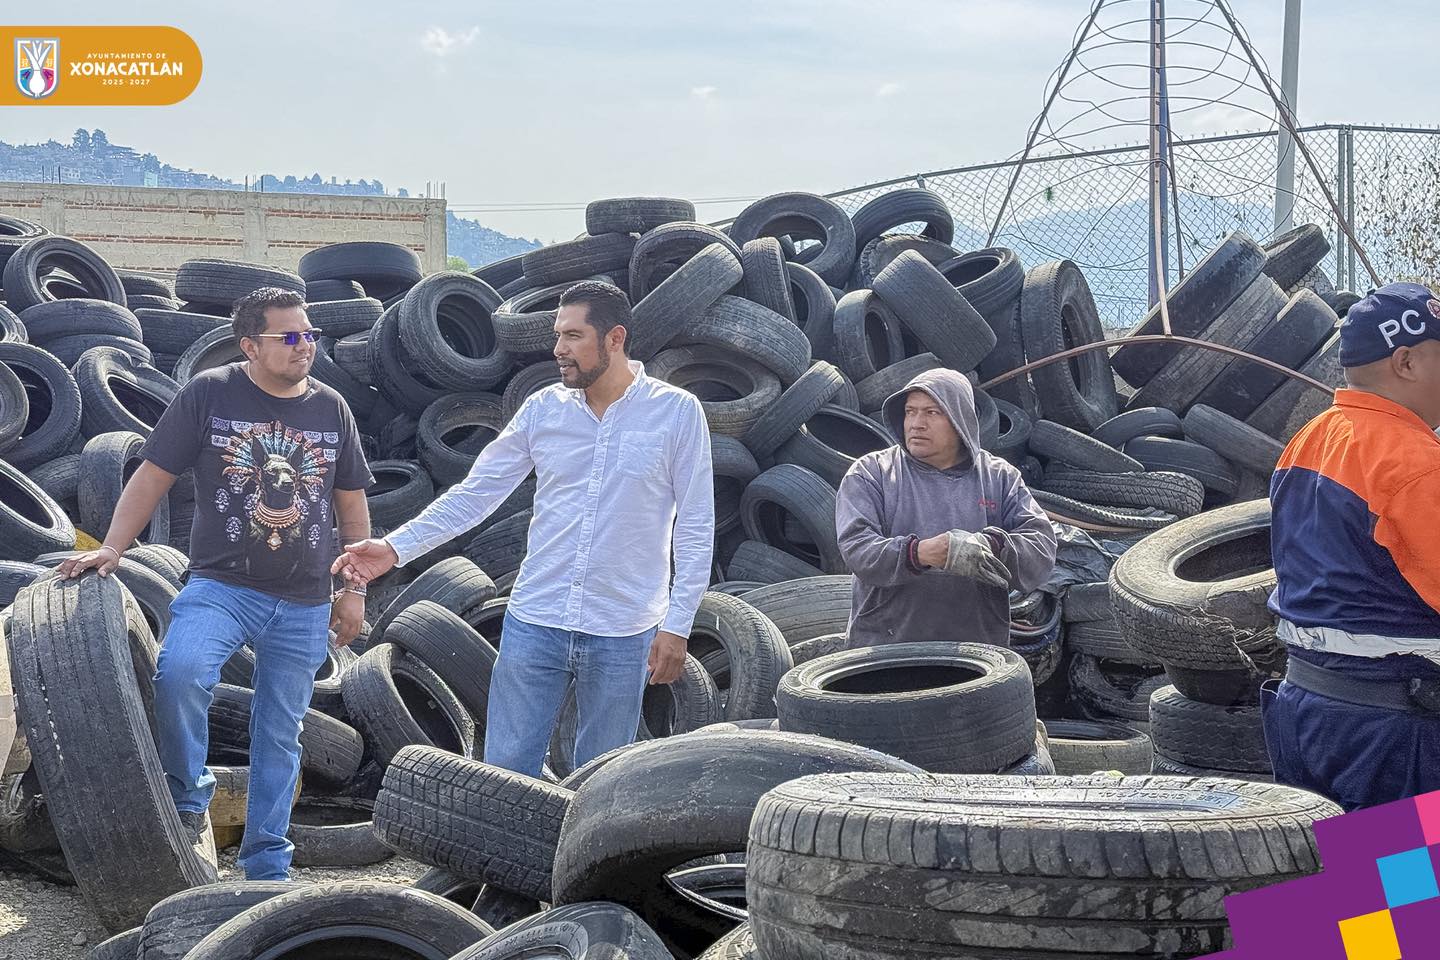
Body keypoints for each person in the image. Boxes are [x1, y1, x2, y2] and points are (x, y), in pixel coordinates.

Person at [333, 279, 714, 779]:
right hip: (537, 619)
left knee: (599, 779)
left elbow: (696, 525)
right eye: (558, 335)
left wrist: (678, 624)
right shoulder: (542, 410)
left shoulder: (676, 412)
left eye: (574, 336)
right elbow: (476, 494)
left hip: (624, 627)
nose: (559, 349)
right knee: (506, 772)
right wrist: (393, 548)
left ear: (615, 338)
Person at [58, 287, 373, 880]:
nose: (305, 346)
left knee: (281, 734)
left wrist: (353, 589)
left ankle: (266, 863)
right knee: (180, 674)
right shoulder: (210, 393)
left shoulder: (332, 407)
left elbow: (351, 505)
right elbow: (153, 475)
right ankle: (187, 799)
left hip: (306, 599)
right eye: (289, 336)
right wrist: (112, 547)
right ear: (250, 345)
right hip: (221, 587)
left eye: (309, 335)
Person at [1264, 281, 1440, 811]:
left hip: (1305, 708)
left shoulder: (1312, 437)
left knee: (1331, 882)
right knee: (1401, 888)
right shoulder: (1413, 462)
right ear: (1406, 361)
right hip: (1390, 732)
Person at [835, 367, 1056, 647]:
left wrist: (993, 546)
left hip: (977, 653)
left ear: (959, 419)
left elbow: (1042, 547)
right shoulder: (872, 473)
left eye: (932, 413)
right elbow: (857, 549)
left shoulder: (998, 477)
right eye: (910, 411)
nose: (916, 423)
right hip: (886, 646)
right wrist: (922, 553)